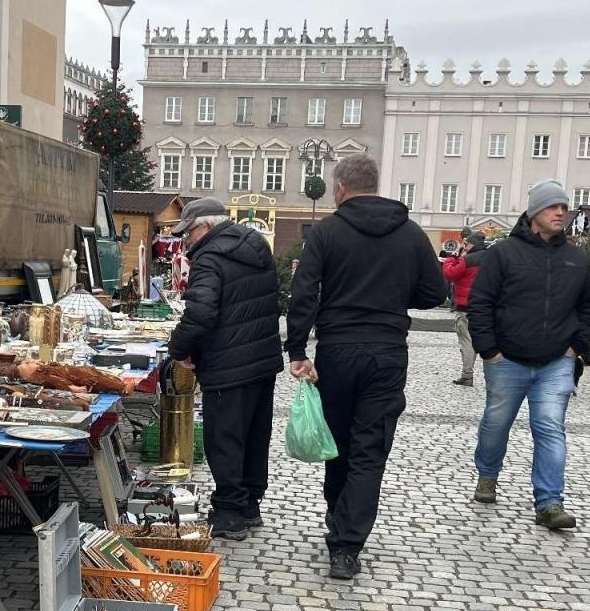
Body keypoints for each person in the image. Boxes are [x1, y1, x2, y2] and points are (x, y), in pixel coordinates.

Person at [286, 153, 447, 579]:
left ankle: (337, 519)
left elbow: (304, 291)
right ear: (376, 184)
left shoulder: (327, 232)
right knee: (369, 448)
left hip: (337, 351)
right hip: (388, 351)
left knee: (336, 443)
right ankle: (347, 544)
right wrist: (393, 297)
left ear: (339, 188)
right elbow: (434, 292)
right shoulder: (411, 233)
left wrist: (297, 350)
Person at [466, 181, 590, 530]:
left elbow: (589, 305)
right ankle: (488, 474)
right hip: (506, 359)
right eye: (553, 206)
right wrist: (489, 350)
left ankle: (550, 503)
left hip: (557, 361)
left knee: (550, 427)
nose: (560, 212)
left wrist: (577, 346)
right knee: (496, 424)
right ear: (534, 212)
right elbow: (481, 303)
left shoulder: (575, 258)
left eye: (564, 207)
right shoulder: (504, 254)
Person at [167, 198, 282, 540]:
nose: (186, 242)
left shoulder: (211, 257)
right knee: (254, 435)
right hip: (261, 360)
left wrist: (180, 350)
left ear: (205, 226)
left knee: (226, 438)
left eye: (187, 234)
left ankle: (230, 512)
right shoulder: (255, 245)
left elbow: (201, 313)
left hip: (228, 363)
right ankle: (249, 505)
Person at [443, 229, 489, 386]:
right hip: (486, 307)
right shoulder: (492, 258)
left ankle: (467, 374)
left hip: (466, 306)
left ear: (471, 245)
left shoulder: (467, 259)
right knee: (486, 340)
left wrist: (452, 258)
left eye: (466, 244)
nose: (465, 246)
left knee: (467, 342)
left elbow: (450, 274)